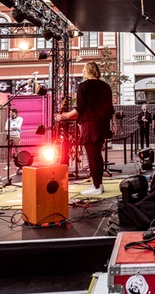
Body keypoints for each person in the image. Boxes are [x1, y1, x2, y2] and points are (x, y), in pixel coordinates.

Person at [55, 61, 116, 195]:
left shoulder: (84, 86)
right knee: (97, 155)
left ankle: (96, 186)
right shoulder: (106, 86)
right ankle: (98, 184)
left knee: (92, 155)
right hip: (102, 124)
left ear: (86, 71)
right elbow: (110, 108)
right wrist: (113, 123)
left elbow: (80, 108)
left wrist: (64, 116)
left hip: (90, 124)